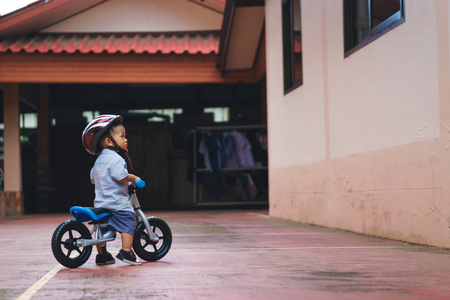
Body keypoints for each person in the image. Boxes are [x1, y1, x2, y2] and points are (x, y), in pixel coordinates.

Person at [82, 114, 142, 266]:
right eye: (122, 136)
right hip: (117, 204)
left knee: (100, 230)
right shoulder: (116, 159)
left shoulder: (98, 161)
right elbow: (121, 176)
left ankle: (102, 256)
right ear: (109, 141)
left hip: (101, 204)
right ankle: (126, 252)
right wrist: (134, 178)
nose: (126, 139)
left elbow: (93, 179)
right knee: (129, 220)